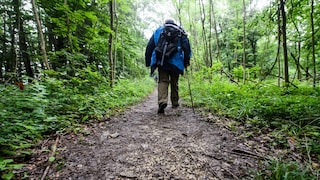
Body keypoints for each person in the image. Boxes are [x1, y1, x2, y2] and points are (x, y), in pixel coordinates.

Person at [145, 19, 192, 114]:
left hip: (162, 61)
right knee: (174, 82)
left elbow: (150, 46)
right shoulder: (180, 31)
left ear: (165, 23)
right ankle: (175, 102)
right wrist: (186, 61)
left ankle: (162, 101)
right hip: (176, 62)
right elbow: (186, 47)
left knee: (163, 81)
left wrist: (148, 61)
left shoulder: (159, 31)